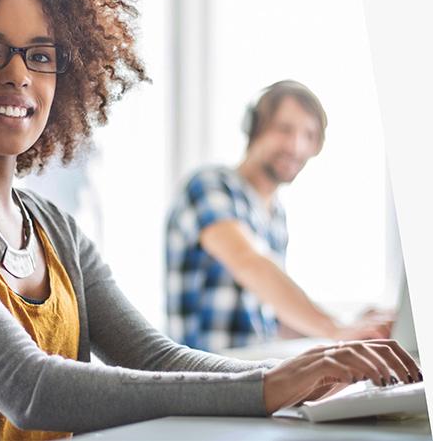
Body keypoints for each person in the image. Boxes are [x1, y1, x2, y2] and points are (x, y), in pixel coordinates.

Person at [0, 0, 421, 439]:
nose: (18, 75)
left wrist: (304, 375)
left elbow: (153, 355)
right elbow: (28, 387)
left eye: (41, 54)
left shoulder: (53, 228)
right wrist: (266, 389)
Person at [165, 80, 393, 353]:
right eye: (285, 129)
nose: (296, 146)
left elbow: (275, 320)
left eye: (309, 135)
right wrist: (335, 328)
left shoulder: (275, 215)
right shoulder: (210, 186)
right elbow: (248, 262)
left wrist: (355, 325)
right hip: (203, 378)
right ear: (255, 128)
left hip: (253, 371)